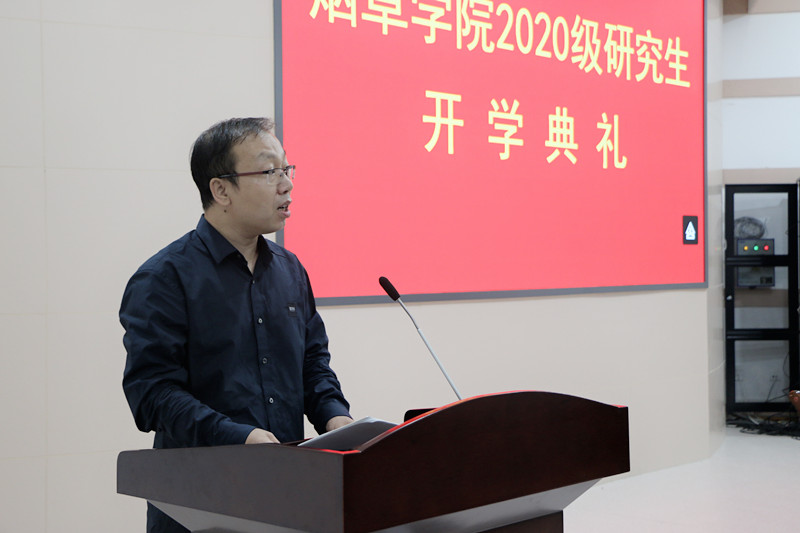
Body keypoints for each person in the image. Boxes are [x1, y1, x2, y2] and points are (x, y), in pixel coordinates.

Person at [120, 117, 353, 533]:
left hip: (284, 493)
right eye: (268, 171)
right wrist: (238, 437)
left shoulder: (290, 271)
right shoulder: (164, 278)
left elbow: (313, 365)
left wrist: (336, 419)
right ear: (221, 190)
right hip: (199, 504)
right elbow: (152, 394)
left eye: (286, 169)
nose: (286, 185)